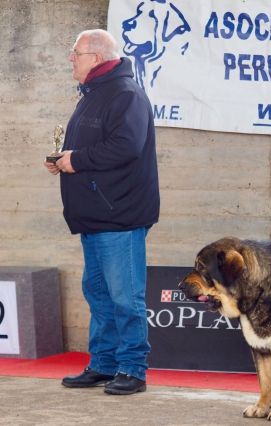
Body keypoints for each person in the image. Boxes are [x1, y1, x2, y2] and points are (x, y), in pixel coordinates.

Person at [43, 29, 160, 395]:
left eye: (75, 53)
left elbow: (126, 146)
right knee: (99, 294)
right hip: (95, 216)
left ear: (96, 57)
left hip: (119, 216)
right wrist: (64, 160)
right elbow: (93, 147)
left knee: (125, 296)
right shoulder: (94, 94)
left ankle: (133, 369)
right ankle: (104, 364)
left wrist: (76, 160)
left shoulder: (126, 95)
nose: (70, 59)